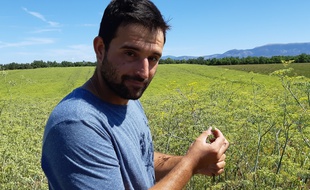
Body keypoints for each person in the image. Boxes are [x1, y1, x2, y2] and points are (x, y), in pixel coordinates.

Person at [41, 0, 229, 189]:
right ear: (100, 49)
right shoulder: (77, 124)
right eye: (130, 53)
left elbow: (142, 163)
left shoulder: (127, 101)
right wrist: (190, 164)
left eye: (153, 58)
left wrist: (195, 161)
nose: (144, 73)